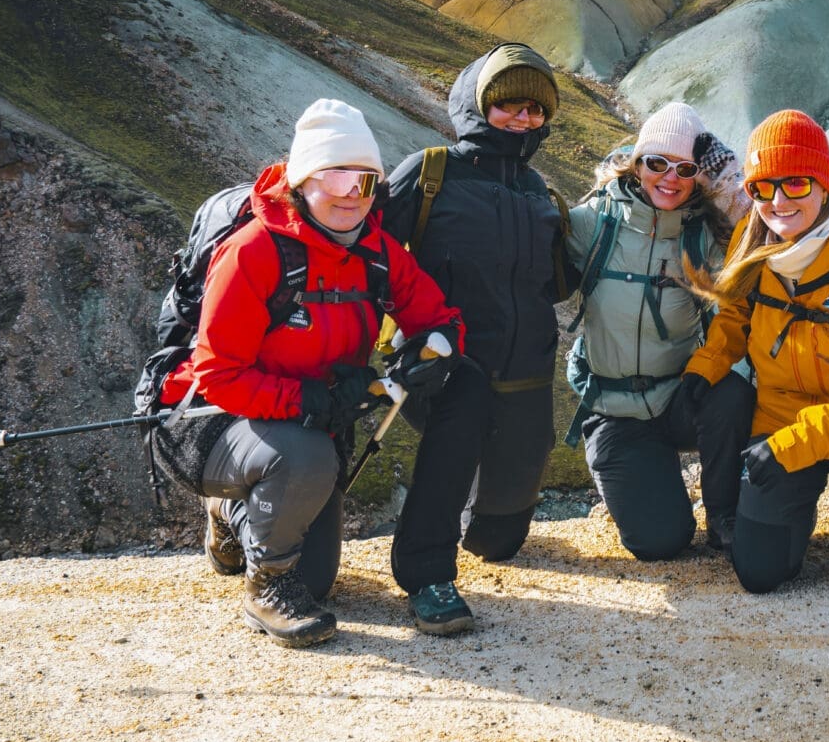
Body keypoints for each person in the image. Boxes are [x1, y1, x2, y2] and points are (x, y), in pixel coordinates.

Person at [159, 99, 463, 646]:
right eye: (336, 174)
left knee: (319, 578)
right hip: (206, 420)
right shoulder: (253, 252)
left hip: (301, 423)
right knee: (306, 455)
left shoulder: (379, 253)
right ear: (302, 180)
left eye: (366, 180)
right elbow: (218, 375)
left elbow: (439, 318)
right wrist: (308, 400)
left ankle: (235, 515)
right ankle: (267, 587)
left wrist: (431, 349)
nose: (352, 191)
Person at [681, 110, 829, 608]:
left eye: (795, 184)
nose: (778, 202)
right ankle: (790, 512)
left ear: (824, 183)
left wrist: (800, 441)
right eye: (763, 187)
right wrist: (702, 370)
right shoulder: (751, 245)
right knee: (758, 572)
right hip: (780, 419)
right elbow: (732, 321)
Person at [379, 44, 568, 635]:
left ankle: (481, 519)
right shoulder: (431, 172)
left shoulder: (542, 193)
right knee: (453, 436)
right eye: (508, 103)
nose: (522, 118)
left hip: (527, 376)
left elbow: (559, 283)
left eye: (535, 109)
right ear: (477, 105)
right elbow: (369, 257)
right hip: (447, 369)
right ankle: (426, 570)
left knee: (499, 542)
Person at [565, 102, 755, 560]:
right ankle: (645, 475)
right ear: (638, 162)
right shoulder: (594, 223)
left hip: (681, 397)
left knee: (733, 393)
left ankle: (724, 515)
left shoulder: (703, 234)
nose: (669, 178)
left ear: (698, 178)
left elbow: (766, 241)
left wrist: (730, 182)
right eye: (657, 164)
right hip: (614, 410)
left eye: (685, 169)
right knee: (660, 542)